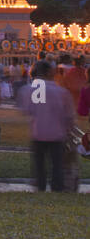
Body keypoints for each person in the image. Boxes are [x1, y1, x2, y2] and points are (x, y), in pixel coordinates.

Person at [24, 60, 75, 192]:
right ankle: (56, 189)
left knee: (39, 165)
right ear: (48, 72)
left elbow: (29, 111)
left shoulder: (32, 91)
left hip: (38, 132)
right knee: (57, 165)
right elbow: (69, 115)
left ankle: (40, 188)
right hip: (57, 134)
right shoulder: (61, 92)